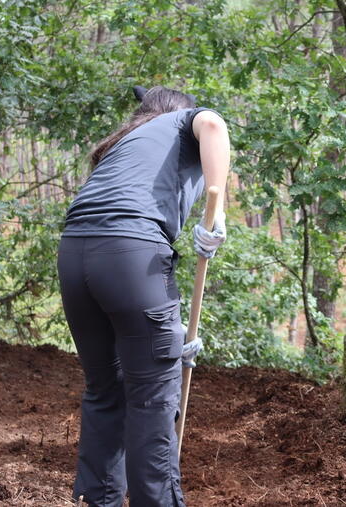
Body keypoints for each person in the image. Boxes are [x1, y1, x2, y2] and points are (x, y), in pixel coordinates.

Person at [57, 85, 230, 507]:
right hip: (130, 254)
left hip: (74, 254)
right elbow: (212, 123)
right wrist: (218, 208)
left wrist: (169, 342)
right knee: (152, 399)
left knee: (105, 391)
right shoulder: (183, 122)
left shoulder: (125, 144)